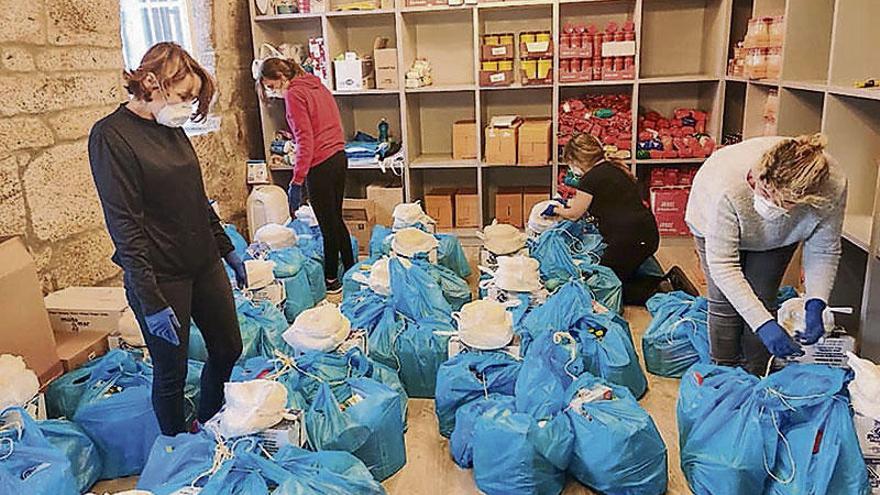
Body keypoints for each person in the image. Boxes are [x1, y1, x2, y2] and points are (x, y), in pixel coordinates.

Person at [88, 42, 245, 435]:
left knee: (228, 348)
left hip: (201, 262)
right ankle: (177, 450)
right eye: (184, 97)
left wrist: (225, 248)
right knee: (171, 371)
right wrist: (150, 299)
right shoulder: (112, 138)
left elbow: (195, 195)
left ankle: (207, 422)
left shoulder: (170, 127)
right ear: (151, 82)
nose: (189, 108)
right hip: (160, 275)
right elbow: (125, 225)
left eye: (193, 99)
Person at [686, 134, 847, 376]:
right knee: (724, 303)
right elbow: (724, 267)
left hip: (779, 235)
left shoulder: (831, 187)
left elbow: (824, 248)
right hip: (715, 218)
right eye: (763, 190)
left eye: (778, 200)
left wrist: (816, 302)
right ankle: (723, 373)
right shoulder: (726, 184)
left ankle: (757, 373)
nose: (767, 201)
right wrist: (764, 326)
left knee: (763, 297)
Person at [553, 133, 694, 304]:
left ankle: (664, 290)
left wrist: (557, 209)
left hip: (629, 239)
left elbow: (574, 214)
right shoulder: (614, 169)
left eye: (571, 163)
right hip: (645, 234)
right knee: (620, 274)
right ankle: (665, 282)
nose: (571, 169)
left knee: (605, 286)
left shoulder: (590, 179)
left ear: (578, 159)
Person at [256, 57, 354, 294]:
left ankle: (331, 280)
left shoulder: (293, 94)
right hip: (339, 156)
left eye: (271, 86)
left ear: (281, 78)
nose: (272, 91)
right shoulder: (316, 85)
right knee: (335, 218)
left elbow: (305, 139)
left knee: (326, 225)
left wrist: (297, 179)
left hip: (320, 163)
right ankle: (350, 269)